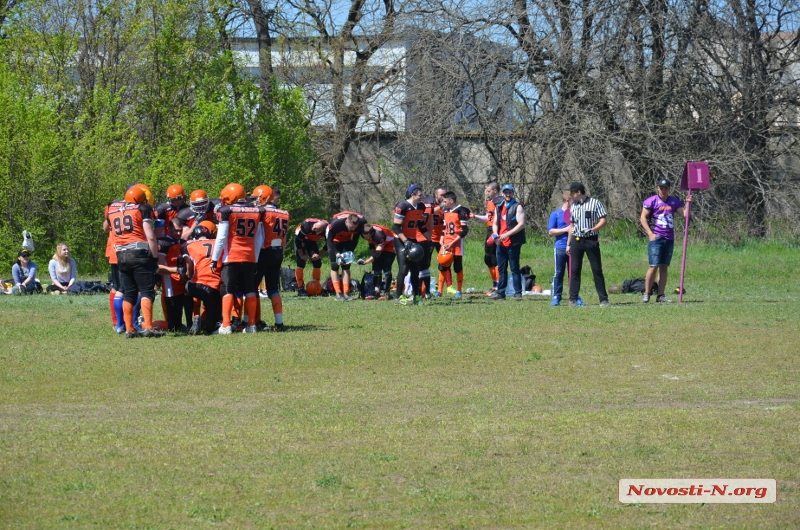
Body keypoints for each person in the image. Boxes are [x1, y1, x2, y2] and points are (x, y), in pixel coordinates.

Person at [104, 186, 163, 337]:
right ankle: (149, 327)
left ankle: (129, 329)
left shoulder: (113, 208)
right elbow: (150, 236)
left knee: (128, 293)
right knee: (146, 291)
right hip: (138, 252)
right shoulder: (141, 209)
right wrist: (155, 257)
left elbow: (106, 227)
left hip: (120, 254)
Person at [211, 183, 265, 334]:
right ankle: (252, 325)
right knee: (249, 289)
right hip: (249, 256)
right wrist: (255, 258)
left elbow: (221, 237)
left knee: (227, 289)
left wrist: (215, 258)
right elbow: (259, 238)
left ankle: (226, 325)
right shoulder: (256, 210)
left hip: (232, 256)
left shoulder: (227, 210)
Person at [640, 178, 690, 303]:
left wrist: (688, 203)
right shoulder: (651, 201)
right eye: (661, 188)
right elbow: (643, 218)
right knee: (653, 265)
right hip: (656, 237)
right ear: (658, 188)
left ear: (669, 189)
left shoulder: (674, 202)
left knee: (664, 266)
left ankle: (661, 295)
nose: (663, 190)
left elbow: (685, 216)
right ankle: (647, 292)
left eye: (666, 188)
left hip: (669, 237)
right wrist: (650, 234)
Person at [566, 182, 610, 306]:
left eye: (572, 193)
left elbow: (604, 220)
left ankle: (603, 299)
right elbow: (572, 225)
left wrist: (593, 229)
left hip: (591, 239)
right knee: (575, 270)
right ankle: (573, 298)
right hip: (577, 240)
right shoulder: (573, 206)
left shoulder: (595, 203)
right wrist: (568, 244)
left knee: (596, 269)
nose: (571, 195)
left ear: (579, 192)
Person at [253, 185, 290, 331]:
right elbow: (284, 236)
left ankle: (254, 321)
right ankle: (279, 323)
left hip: (263, 251)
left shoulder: (262, 211)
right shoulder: (284, 213)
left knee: (252, 287)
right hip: (278, 251)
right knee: (273, 288)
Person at [183, 221, 222, 335]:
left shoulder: (189, 245)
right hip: (213, 287)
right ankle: (207, 322)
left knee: (186, 289)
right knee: (211, 326)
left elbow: (189, 267)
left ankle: (190, 322)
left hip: (195, 286)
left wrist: (187, 276)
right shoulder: (218, 243)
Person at [393, 184, 430, 305]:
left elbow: (420, 224)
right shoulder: (402, 206)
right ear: (412, 194)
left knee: (416, 269)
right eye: (420, 195)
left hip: (413, 239)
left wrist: (429, 239)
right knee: (403, 268)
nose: (422, 197)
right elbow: (396, 227)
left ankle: (416, 296)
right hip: (401, 239)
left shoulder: (421, 206)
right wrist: (405, 241)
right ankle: (398, 296)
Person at [489, 184, 526, 301]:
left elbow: (521, 224)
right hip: (501, 243)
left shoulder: (517, 206)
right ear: (502, 194)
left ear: (513, 193)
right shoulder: (499, 207)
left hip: (513, 242)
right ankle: (500, 292)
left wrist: (507, 234)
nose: (508, 194)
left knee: (514, 268)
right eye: (505, 192)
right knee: (501, 268)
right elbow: (495, 223)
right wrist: (495, 234)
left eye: (509, 192)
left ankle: (518, 293)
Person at [326, 211, 368, 301]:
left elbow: (355, 239)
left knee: (346, 266)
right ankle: (338, 293)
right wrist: (337, 254)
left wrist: (350, 251)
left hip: (347, 241)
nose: (352, 230)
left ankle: (346, 292)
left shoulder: (362, 223)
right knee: (335, 266)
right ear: (346, 222)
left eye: (354, 228)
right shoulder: (335, 224)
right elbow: (329, 241)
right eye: (350, 227)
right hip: (335, 241)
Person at [438, 191, 472, 298]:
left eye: (445, 201)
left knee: (457, 267)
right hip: (446, 242)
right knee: (443, 265)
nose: (443, 203)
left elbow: (464, 230)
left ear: (451, 201)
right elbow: (444, 227)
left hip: (456, 243)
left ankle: (459, 290)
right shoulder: (445, 211)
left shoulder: (461, 211)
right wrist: (442, 238)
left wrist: (453, 243)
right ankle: (439, 291)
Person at [473, 182, 504, 295]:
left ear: (495, 191)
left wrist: (496, 234)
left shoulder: (501, 202)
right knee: (488, 257)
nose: (487, 192)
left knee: (497, 257)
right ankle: (495, 283)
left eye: (489, 191)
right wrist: (475, 216)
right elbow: (488, 218)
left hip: (497, 230)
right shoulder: (489, 201)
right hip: (490, 229)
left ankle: (500, 284)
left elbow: (501, 219)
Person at [547, 191, 572, 306]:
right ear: (567, 200)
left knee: (573, 273)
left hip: (573, 248)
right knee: (559, 272)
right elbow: (551, 231)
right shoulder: (556, 214)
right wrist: (565, 230)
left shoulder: (575, 213)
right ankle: (557, 296)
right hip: (560, 248)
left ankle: (574, 297)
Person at [359, 224, 396, 300]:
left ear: (371, 233)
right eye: (363, 235)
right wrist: (374, 260)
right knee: (377, 268)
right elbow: (371, 245)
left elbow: (377, 254)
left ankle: (387, 293)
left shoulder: (379, 236)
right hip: (379, 244)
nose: (364, 237)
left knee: (386, 268)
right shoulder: (365, 232)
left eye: (366, 236)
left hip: (390, 244)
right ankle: (376, 292)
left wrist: (366, 262)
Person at [293, 218, 328, 296]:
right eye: (314, 226)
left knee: (317, 263)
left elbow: (328, 244)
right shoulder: (307, 225)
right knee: (301, 262)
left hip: (311, 241)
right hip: (301, 240)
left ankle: (316, 286)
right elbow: (298, 241)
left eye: (316, 228)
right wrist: (302, 255)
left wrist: (319, 255)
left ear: (322, 230)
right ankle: (300, 288)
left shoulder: (327, 231)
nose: (313, 228)